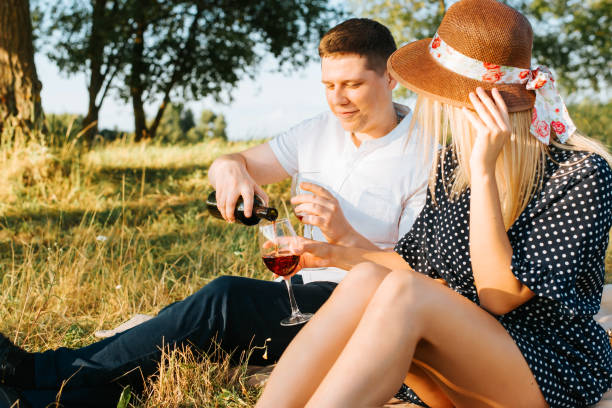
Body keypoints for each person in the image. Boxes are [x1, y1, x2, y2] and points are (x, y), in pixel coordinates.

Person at [0, 18, 433, 407]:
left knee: (223, 301)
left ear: (391, 76)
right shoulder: (319, 130)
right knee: (181, 345)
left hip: (361, 307)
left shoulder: (426, 155)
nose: (337, 99)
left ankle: (37, 372)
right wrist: (231, 173)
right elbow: (234, 160)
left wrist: (340, 236)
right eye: (328, 85)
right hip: (295, 290)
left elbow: (416, 274)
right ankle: (32, 400)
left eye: (353, 85)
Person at [255, 1, 612, 407]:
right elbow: (413, 264)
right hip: (455, 362)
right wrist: (331, 254)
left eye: (440, 93)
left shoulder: (580, 173)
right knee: (367, 281)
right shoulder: (451, 162)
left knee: (407, 294)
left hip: (544, 369)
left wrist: (483, 173)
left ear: (480, 106)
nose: (433, 105)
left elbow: (499, 297)